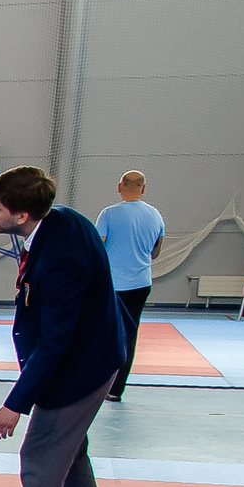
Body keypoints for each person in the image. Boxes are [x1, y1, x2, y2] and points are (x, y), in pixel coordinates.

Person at [0, 165, 125, 487]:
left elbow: (57, 340)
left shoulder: (59, 258)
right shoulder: (61, 221)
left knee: (39, 458)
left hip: (81, 369)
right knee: (69, 456)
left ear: (21, 215)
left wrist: (14, 404)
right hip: (89, 354)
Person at [95, 171, 163, 401]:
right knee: (129, 336)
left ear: (119, 187)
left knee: (103, 333)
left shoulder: (108, 214)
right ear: (143, 189)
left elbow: (97, 247)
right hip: (141, 283)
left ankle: (97, 384)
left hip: (113, 285)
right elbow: (156, 251)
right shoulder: (156, 216)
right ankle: (116, 390)